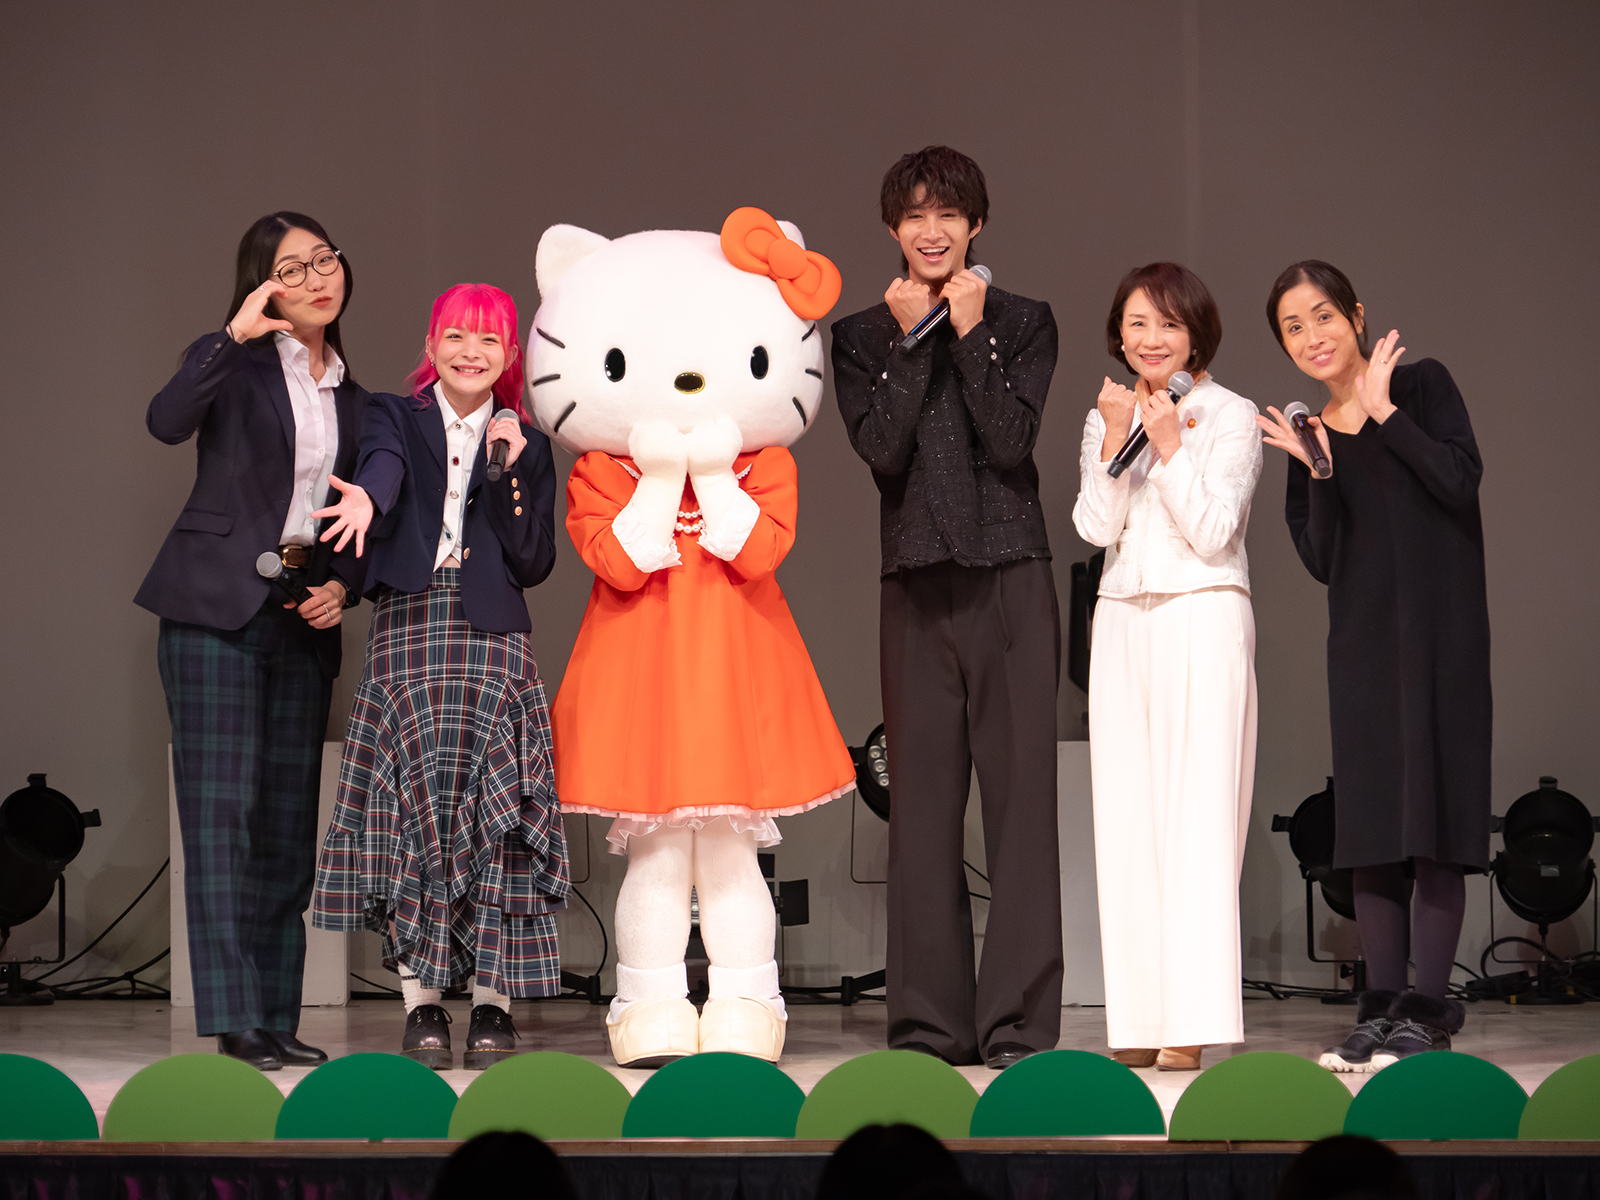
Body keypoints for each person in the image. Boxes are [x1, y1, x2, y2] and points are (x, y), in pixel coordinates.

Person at [831, 146, 1062, 1069]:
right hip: (915, 581)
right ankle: (930, 1028)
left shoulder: (1023, 320)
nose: (932, 231)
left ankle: (1018, 1028)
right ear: (893, 228)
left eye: (949, 214)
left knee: (1021, 809)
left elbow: (1010, 442)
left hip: (1011, 576)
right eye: (916, 215)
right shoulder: (861, 336)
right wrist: (912, 340)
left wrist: (969, 333)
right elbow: (883, 452)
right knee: (921, 814)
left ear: (977, 225)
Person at [309, 283, 569, 1071]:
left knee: (496, 820)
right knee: (410, 821)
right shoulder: (394, 414)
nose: (470, 351)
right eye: (456, 335)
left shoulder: (526, 441)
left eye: (488, 339)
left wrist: (511, 469)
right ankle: (421, 1005)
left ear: (509, 355)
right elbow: (384, 469)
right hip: (410, 625)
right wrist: (367, 501)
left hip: (494, 637)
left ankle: (492, 1006)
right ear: (432, 345)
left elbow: (534, 560)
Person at [136, 212, 366, 1070]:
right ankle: (234, 1018)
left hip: (297, 617)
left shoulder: (352, 394)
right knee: (220, 819)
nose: (315, 278)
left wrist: (341, 586)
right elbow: (165, 421)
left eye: (324, 260)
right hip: (212, 612)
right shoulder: (232, 363)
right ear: (262, 285)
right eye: (292, 268)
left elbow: (340, 516)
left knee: (283, 829)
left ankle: (274, 1013)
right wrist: (231, 336)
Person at [1258, 261, 1489, 1070]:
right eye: (1293, 327)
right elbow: (1324, 560)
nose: (1312, 336)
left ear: (1356, 315)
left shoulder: (1420, 386)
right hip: (1361, 653)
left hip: (1443, 644)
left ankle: (1427, 1013)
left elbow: (1459, 479)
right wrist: (1320, 469)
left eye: (1323, 315)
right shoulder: (1309, 436)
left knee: (1434, 829)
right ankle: (1382, 1010)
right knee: (1373, 835)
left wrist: (1386, 413)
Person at [1072, 263, 1262, 1072]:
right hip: (1123, 614)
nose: (1151, 339)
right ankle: (1141, 1018)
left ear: (1196, 335)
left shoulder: (1230, 414)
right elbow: (1093, 527)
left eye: (1169, 324)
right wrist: (1115, 441)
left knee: (1199, 821)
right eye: (1138, 324)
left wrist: (1172, 448)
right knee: (1125, 822)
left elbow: (1215, 531)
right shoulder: (1107, 413)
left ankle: (1191, 1020)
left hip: (1201, 611)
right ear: (1120, 334)